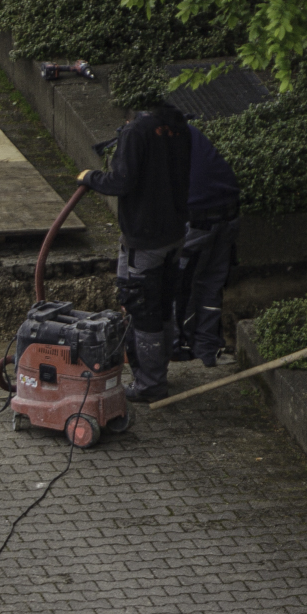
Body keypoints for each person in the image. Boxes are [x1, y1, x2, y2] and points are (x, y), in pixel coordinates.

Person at [77, 98, 191, 401]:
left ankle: (150, 385)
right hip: (175, 234)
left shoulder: (137, 132)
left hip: (145, 239)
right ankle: (159, 374)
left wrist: (89, 177)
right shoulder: (178, 126)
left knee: (142, 311)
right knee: (164, 305)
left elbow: (121, 181)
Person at [172, 123, 241, 366]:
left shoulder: (153, 139)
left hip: (200, 218)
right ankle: (207, 351)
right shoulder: (188, 130)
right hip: (229, 214)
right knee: (211, 285)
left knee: (183, 288)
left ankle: (182, 350)